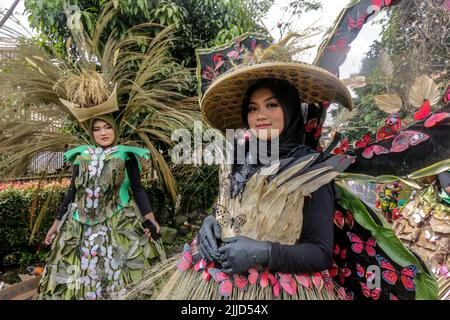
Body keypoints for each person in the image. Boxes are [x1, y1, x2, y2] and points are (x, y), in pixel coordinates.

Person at [128, 33, 438, 300]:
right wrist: (209, 225)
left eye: (271, 105)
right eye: (252, 108)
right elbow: (225, 207)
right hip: (213, 282)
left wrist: (262, 252)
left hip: (278, 286)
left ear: (290, 110)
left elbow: (319, 252)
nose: (260, 115)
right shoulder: (240, 156)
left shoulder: (311, 169)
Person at [38, 111, 162, 299]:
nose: (103, 133)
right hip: (78, 226)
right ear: (91, 133)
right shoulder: (82, 156)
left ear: (115, 129)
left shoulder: (126, 155)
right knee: (77, 274)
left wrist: (150, 220)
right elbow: (72, 192)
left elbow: (138, 190)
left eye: (107, 127)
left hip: (118, 222)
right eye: (97, 129)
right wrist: (55, 225)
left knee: (123, 271)